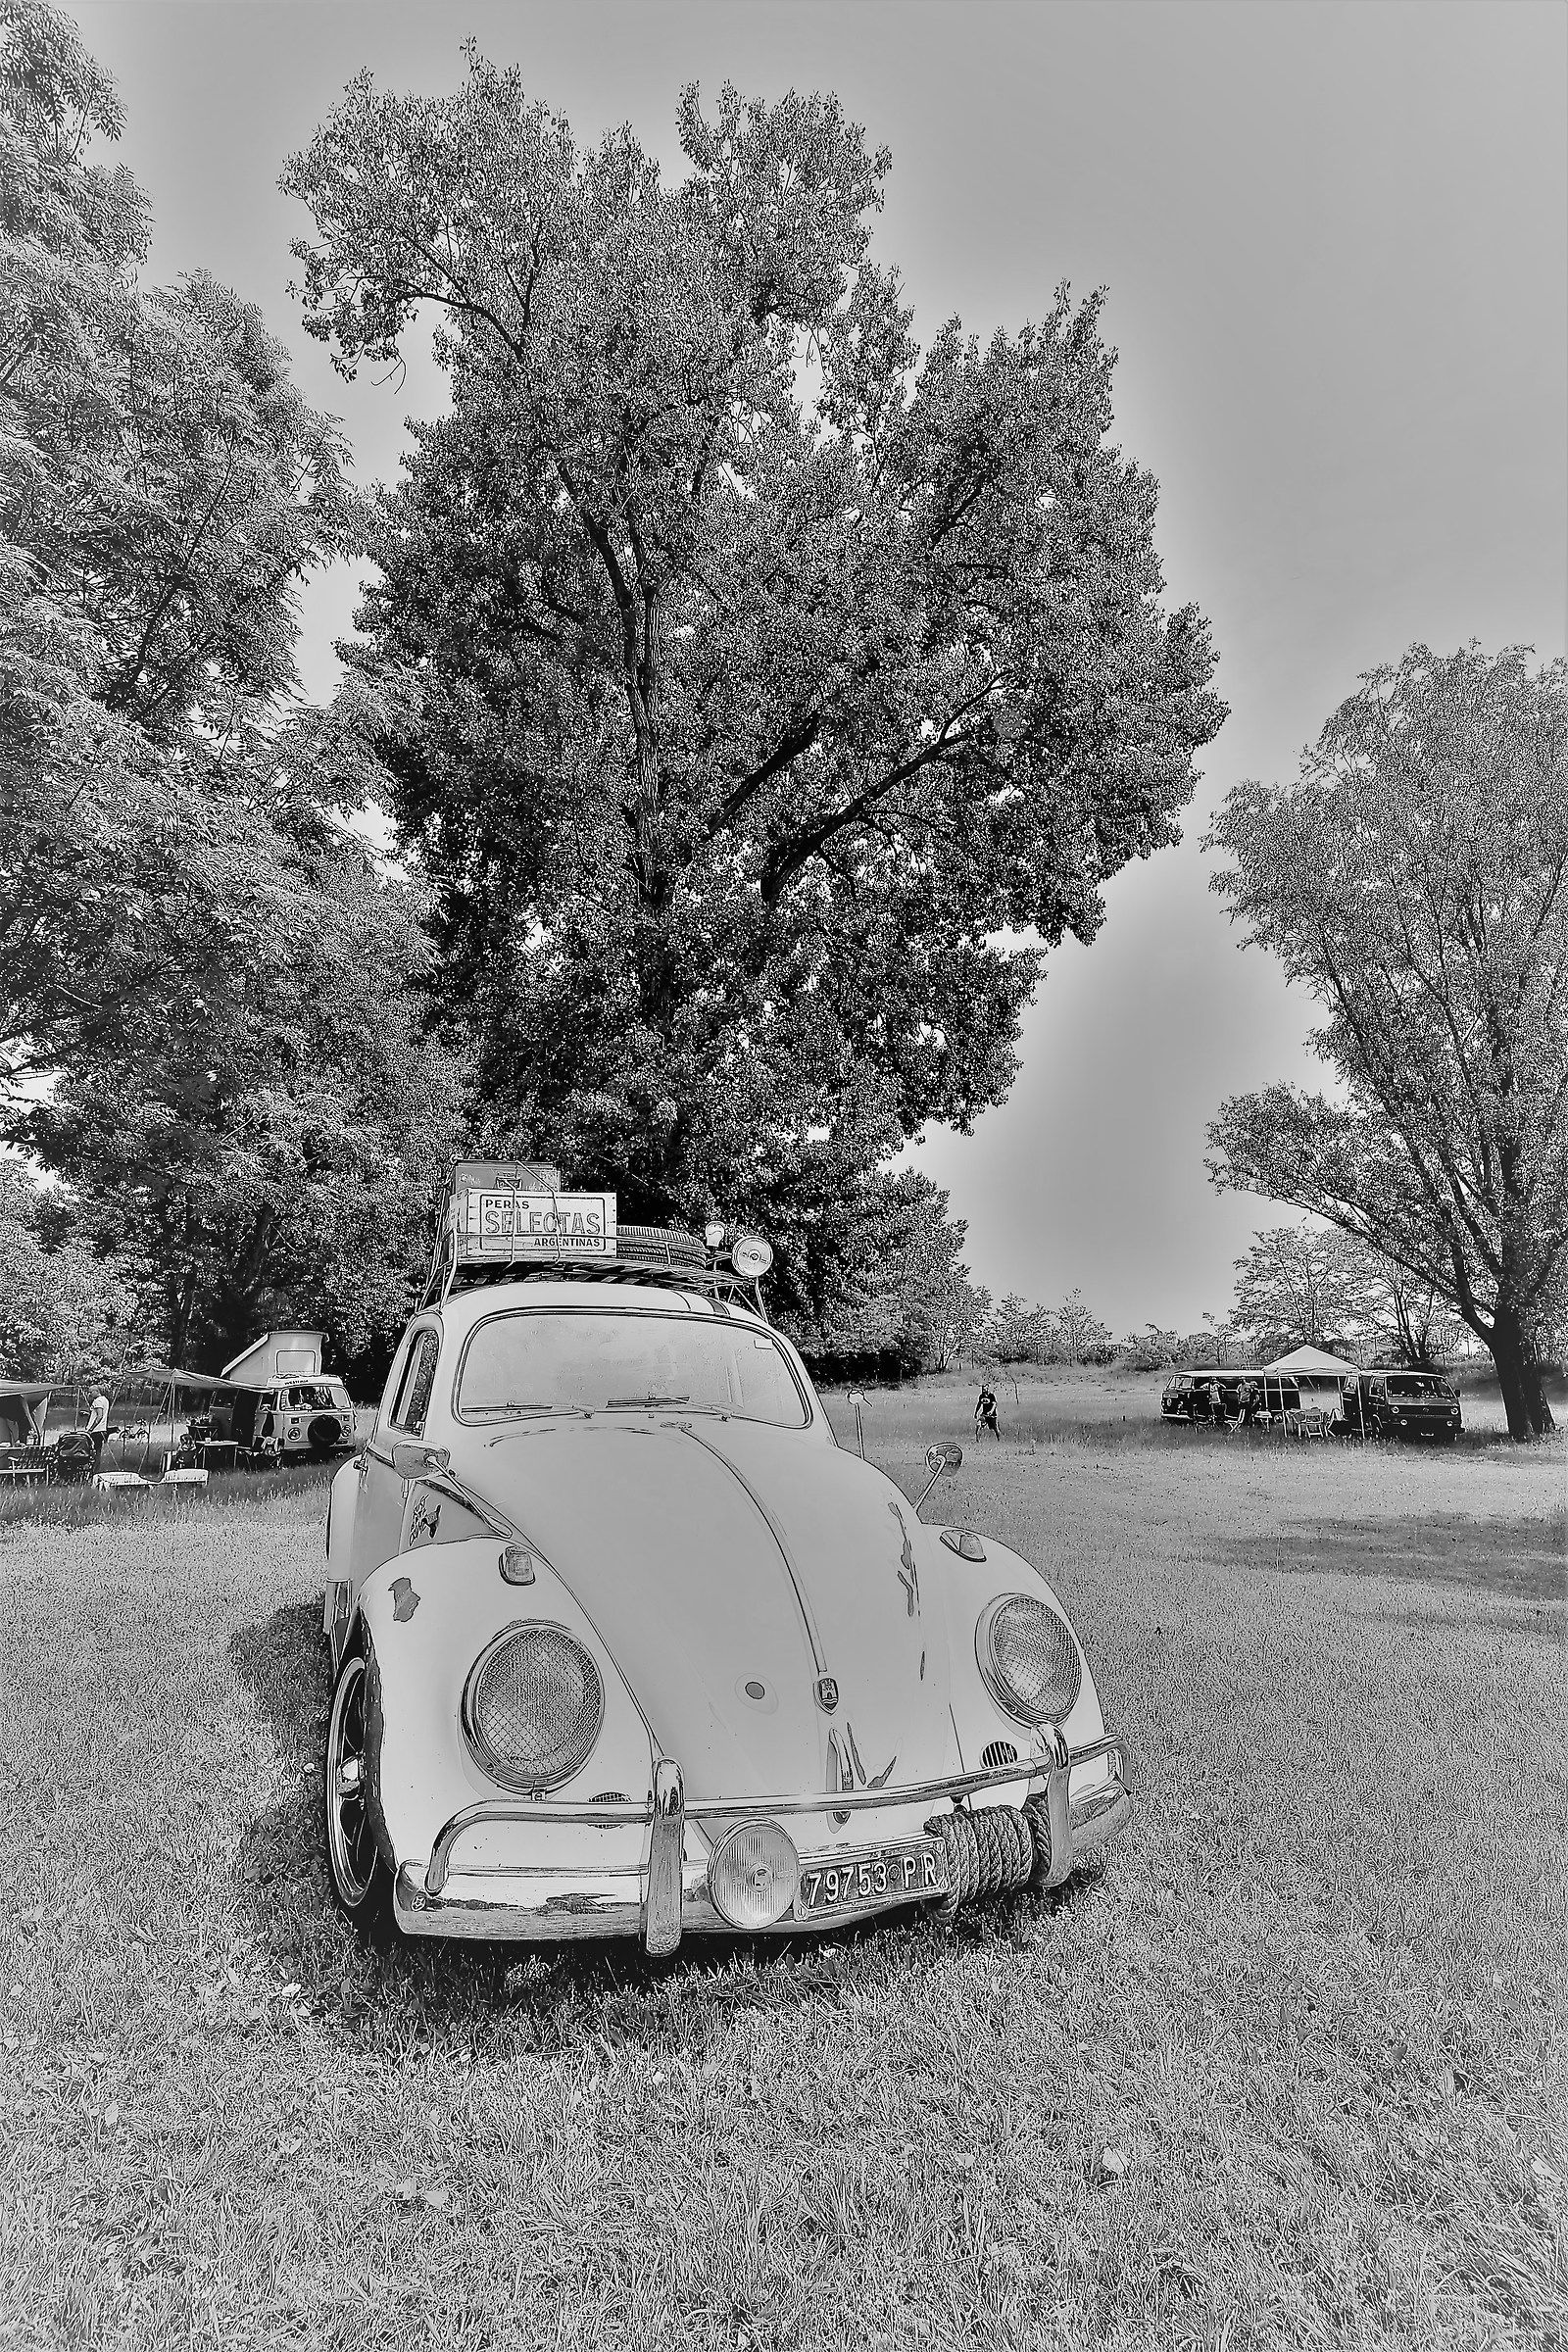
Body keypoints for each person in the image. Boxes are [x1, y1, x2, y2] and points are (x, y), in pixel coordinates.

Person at [84, 1393, 110, 1471]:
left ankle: (93, 1471)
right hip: (102, 1429)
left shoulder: (97, 1401)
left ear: (96, 1391)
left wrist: (90, 1429)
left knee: (91, 1452)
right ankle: (95, 1470)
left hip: (96, 1431)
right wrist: (89, 1414)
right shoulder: (105, 1400)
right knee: (98, 1451)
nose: (89, 1394)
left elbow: (99, 1416)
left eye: (91, 1392)